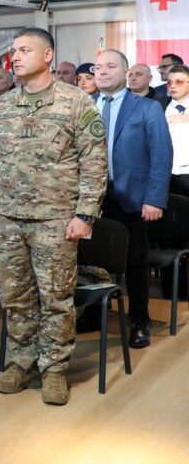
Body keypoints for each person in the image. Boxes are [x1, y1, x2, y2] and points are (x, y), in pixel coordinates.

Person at [0, 27, 107, 406]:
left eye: (24, 50)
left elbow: (94, 163)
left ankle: (54, 368)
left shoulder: (76, 101)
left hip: (55, 219)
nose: (15, 57)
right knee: (14, 296)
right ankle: (22, 361)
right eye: (13, 51)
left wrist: (85, 214)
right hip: (7, 219)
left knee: (55, 298)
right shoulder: (0, 106)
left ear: (47, 55)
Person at [95, 49, 171, 350]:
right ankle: (93, 314)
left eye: (110, 66)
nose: (103, 72)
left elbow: (161, 155)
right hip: (91, 198)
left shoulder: (146, 108)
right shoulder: (84, 106)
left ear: (125, 73)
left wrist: (155, 199)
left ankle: (139, 320)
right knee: (91, 258)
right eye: (98, 67)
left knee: (135, 262)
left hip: (132, 198)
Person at [161, 65, 189, 195]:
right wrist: (165, 120)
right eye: (169, 82)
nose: (173, 86)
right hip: (165, 174)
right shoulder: (158, 105)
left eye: (179, 82)